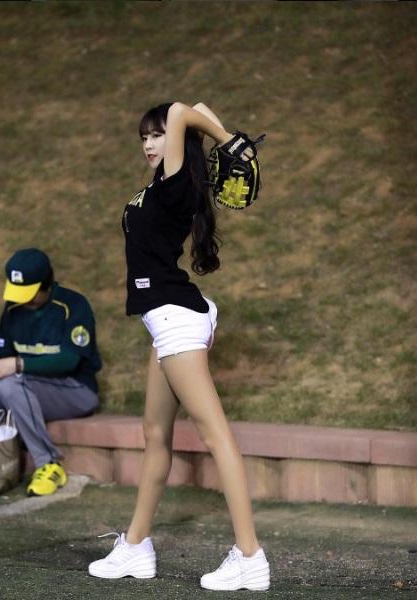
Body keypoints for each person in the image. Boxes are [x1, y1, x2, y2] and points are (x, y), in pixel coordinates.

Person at [88, 103, 270, 592]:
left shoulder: (175, 182)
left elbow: (182, 111)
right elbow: (193, 112)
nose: (149, 144)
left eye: (158, 135)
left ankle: (250, 556)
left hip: (175, 321)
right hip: (167, 319)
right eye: (144, 137)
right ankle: (136, 546)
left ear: (174, 140)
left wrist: (226, 140)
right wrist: (214, 134)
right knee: (155, 434)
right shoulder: (166, 182)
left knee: (217, 437)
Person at [0, 248, 102, 496]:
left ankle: (49, 464)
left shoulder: (72, 306)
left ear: (46, 284)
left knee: (10, 383)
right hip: (29, 385)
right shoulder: (13, 309)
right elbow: (6, 353)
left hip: (76, 390)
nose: (23, 301)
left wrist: (18, 365)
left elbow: (69, 361)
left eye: (29, 293)